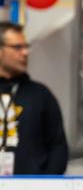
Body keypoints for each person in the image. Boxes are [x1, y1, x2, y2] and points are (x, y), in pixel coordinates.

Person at [0, 21, 68, 175]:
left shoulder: (41, 95)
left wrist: (46, 184)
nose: (25, 52)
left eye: (26, 46)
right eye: (17, 47)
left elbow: (58, 147)